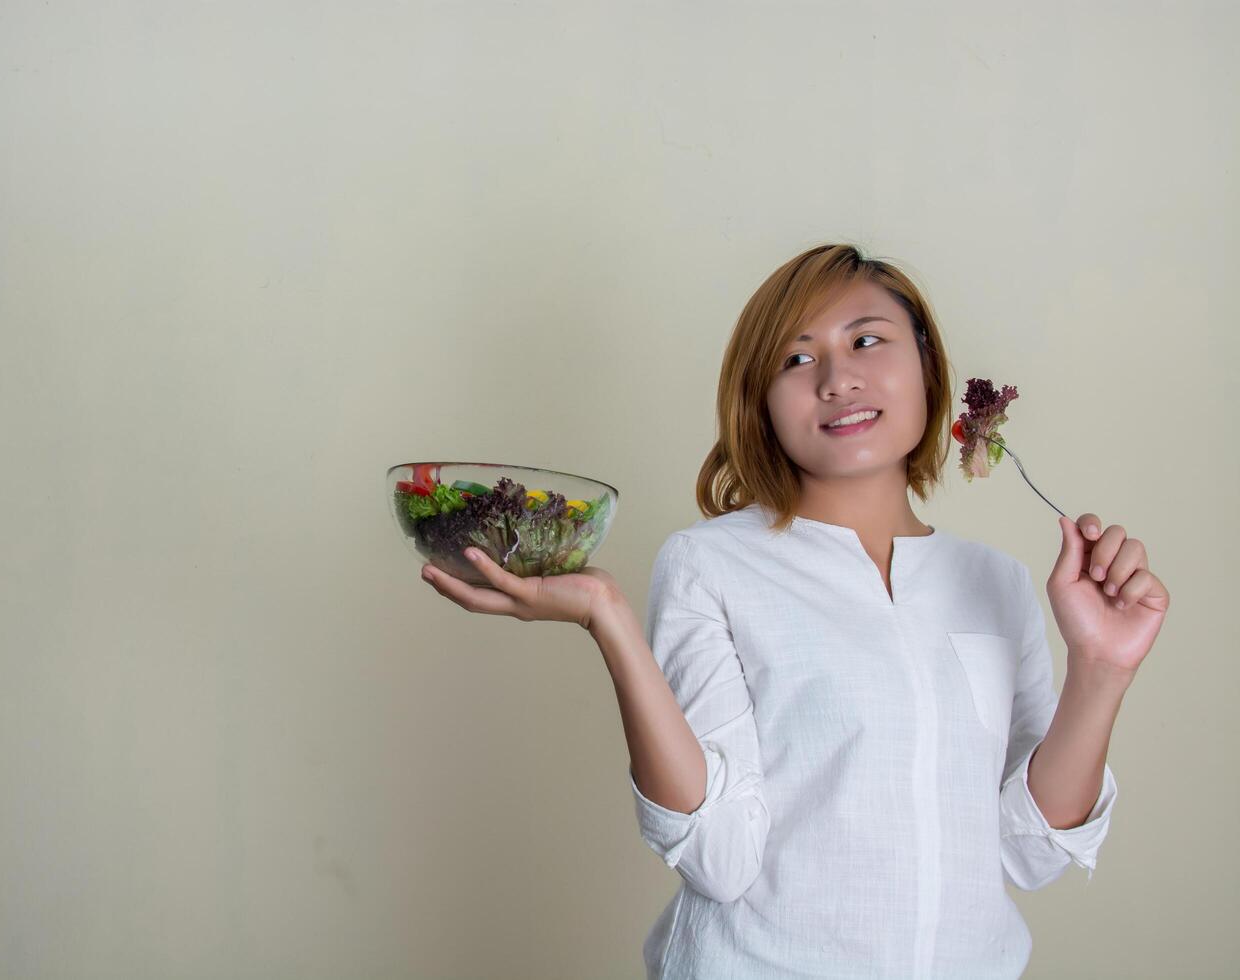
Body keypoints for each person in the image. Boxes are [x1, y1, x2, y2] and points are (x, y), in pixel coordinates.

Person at [417, 243, 1170, 978]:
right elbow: (720, 855)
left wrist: (1102, 669)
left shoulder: (998, 583)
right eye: (796, 358)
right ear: (762, 402)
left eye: (867, 340)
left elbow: (1027, 852)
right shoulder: (711, 564)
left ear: (928, 367)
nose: (838, 378)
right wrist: (607, 616)